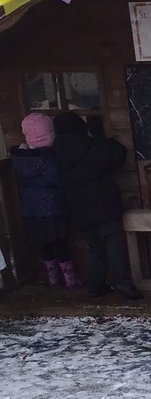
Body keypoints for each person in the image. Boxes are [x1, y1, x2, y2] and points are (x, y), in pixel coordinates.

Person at [52, 111, 141, 302]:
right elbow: (118, 154)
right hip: (105, 205)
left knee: (94, 248)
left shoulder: (57, 152)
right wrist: (100, 135)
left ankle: (95, 285)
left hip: (78, 209)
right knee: (115, 247)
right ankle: (123, 285)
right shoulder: (93, 146)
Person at [10, 113, 78, 290]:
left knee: (45, 244)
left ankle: (52, 279)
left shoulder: (20, 158)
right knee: (61, 243)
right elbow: (58, 181)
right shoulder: (50, 159)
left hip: (31, 210)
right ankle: (70, 280)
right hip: (53, 207)